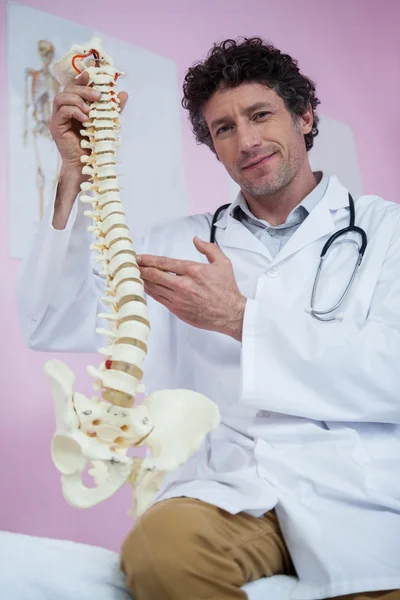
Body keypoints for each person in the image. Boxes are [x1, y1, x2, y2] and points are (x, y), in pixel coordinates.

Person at [17, 37, 400, 600]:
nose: (246, 141)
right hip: (231, 489)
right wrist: (73, 170)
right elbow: (51, 318)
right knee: (159, 552)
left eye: (260, 115)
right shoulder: (174, 244)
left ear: (306, 116)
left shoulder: (387, 233)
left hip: (360, 492)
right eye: (223, 128)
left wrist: (241, 317)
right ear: (213, 146)